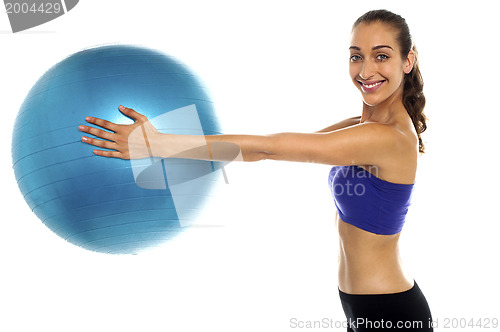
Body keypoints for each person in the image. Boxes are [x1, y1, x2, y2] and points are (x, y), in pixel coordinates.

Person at [79, 9, 432, 331]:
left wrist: (157, 144)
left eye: (381, 56)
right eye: (357, 56)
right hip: (364, 307)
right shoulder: (360, 126)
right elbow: (269, 151)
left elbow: (267, 147)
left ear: (407, 61)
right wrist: (171, 154)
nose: (366, 70)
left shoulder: (388, 138)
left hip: (393, 314)